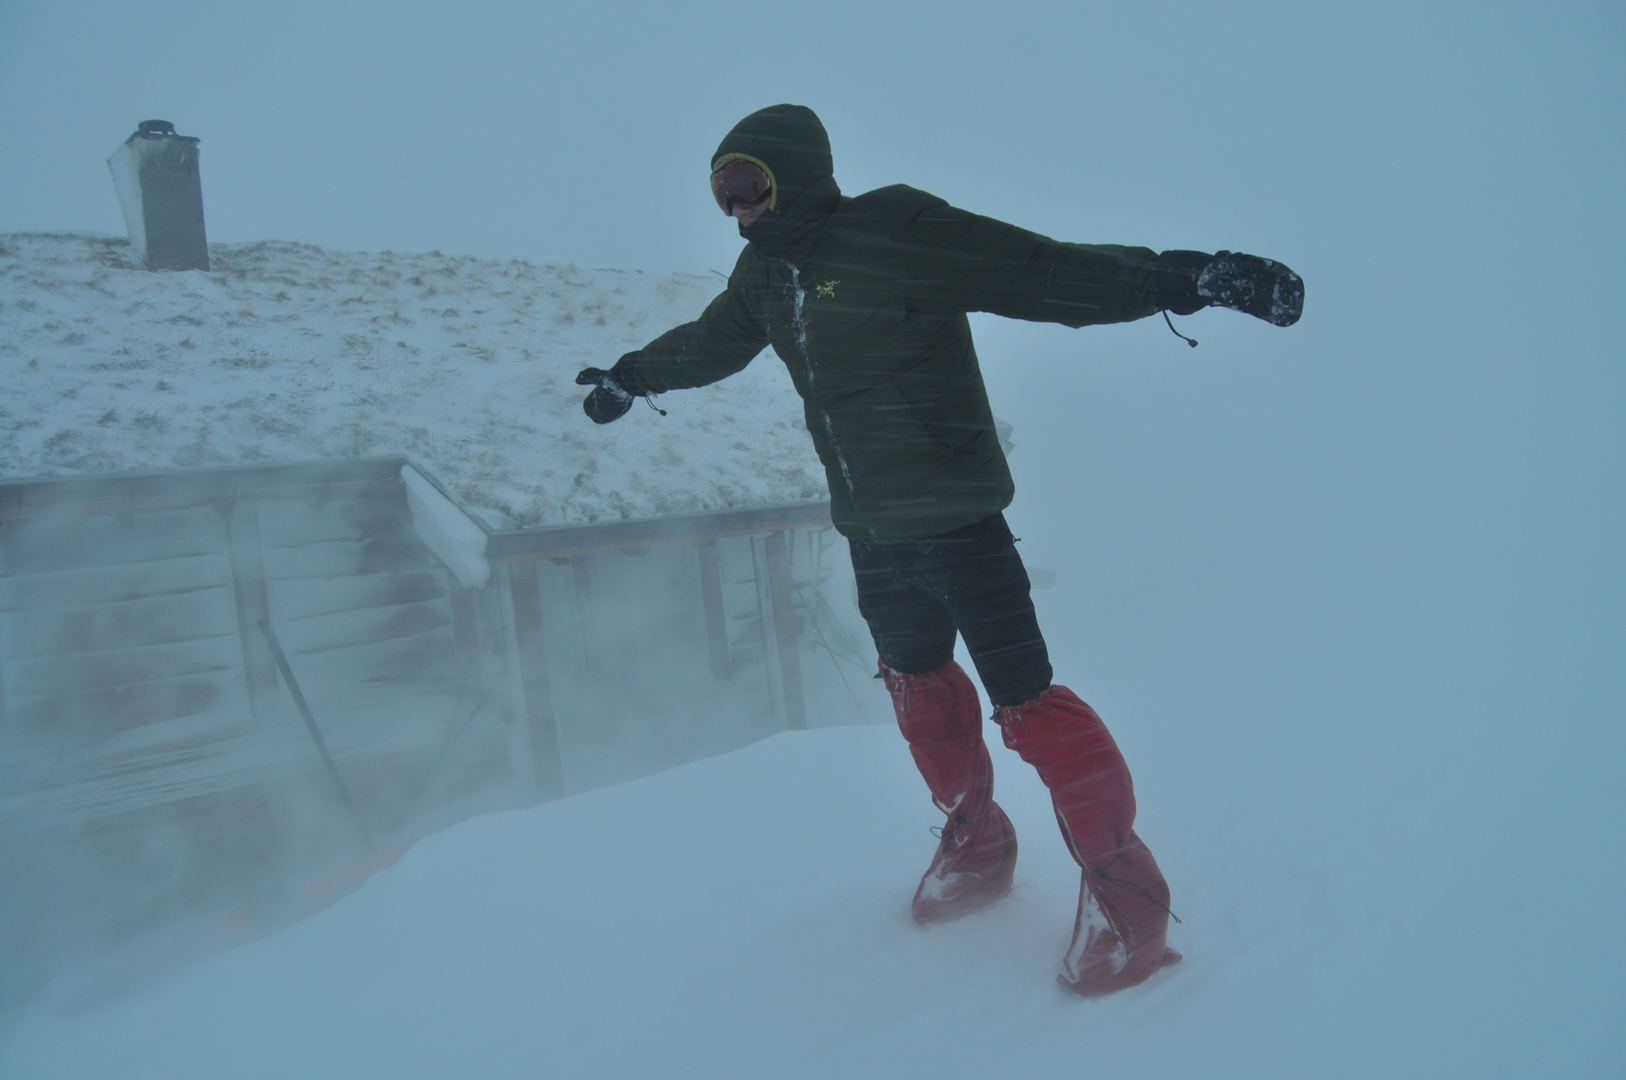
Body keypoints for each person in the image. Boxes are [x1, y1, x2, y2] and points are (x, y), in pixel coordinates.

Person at [576, 104, 1302, 996]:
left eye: (750, 185)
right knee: (919, 691)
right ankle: (979, 838)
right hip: (872, 532)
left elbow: (1037, 271)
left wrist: (1183, 278)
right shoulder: (766, 273)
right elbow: (714, 341)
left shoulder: (894, 228)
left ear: (794, 173)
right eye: (723, 191)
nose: (738, 209)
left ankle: (1128, 902)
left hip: (957, 521)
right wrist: (631, 373)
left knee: (1028, 702)